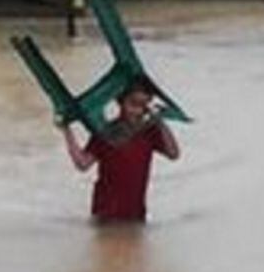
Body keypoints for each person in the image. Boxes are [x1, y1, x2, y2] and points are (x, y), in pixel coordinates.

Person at [59, 76, 181, 223]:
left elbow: (174, 154)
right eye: (133, 104)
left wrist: (161, 122)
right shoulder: (106, 133)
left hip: (136, 214)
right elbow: (82, 164)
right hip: (104, 214)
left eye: (143, 105)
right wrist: (66, 130)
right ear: (121, 102)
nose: (138, 110)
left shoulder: (149, 132)